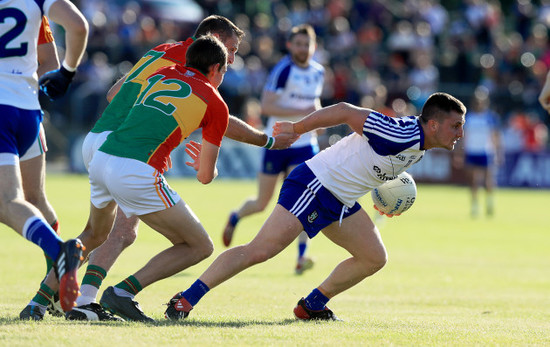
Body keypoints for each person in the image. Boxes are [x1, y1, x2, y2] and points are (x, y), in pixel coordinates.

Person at [164, 92, 466, 321]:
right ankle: (185, 299)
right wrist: (297, 128)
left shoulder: (420, 144)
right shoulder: (400, 134)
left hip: (341, 200)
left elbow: (370, 162)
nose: (459, 134)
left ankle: (312, 306)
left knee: (374, 257)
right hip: (315, 184)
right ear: (434, 124)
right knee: (260, 250)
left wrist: (384, 198)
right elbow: (346, 111)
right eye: (455, 126)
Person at [0, 0, 88, 320]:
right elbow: (51, 58)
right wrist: (65, 74)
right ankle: (50, 289)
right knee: (35, 199)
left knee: (7, 203)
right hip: (28, 112)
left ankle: (61, 255)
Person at [222, 24, 324, 275]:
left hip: (304, 145)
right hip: (277, 142)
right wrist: (306, 115)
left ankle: (301, 257)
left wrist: (316, 120)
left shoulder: (318, 72)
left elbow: (315, 102)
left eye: (306, 44)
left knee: (305, 199)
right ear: (290, 46)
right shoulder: (283, 69)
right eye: (298, 44)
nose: (302, 49)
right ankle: (236, 216)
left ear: (314, 47)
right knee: (261, 202)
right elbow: (267, 106)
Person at [459, 93, 501, 217]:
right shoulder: (469, 117)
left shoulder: (490, 117)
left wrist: (498, 152)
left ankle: (489, 203)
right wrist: (461, 152)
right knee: (473, 181)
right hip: (472, 151)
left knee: (488, 180)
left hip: (486, 151)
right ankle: (475, 205)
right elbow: (463, 136)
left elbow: (495, 135)